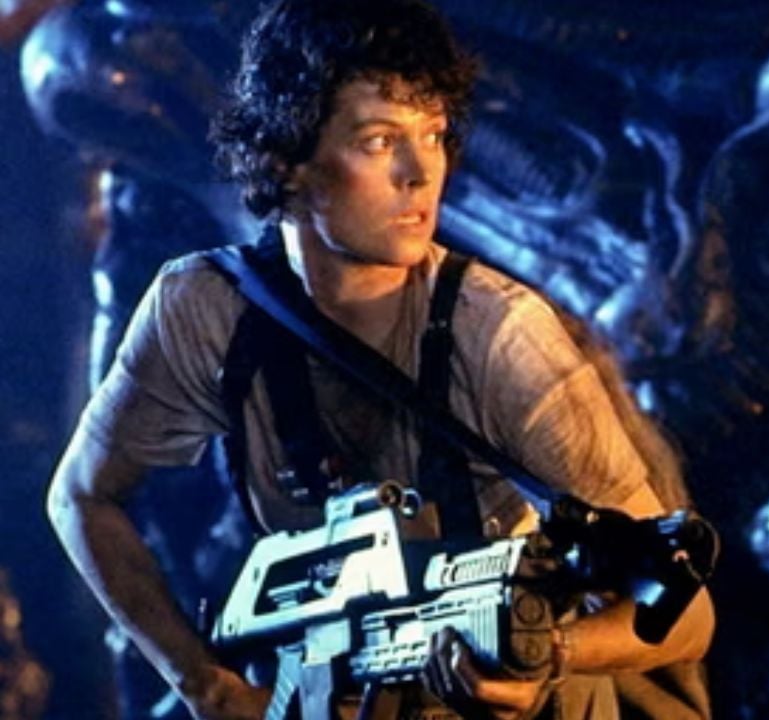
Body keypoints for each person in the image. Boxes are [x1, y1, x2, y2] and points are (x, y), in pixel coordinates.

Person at [44, 0, 715, 718]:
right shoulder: (206, 309)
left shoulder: (501, 333)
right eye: (377, 140)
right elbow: (80, 497)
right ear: (289, 162)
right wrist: (202, 682)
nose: (421, 172)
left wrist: (551, 653)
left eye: (433, 134)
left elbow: (687, 614)